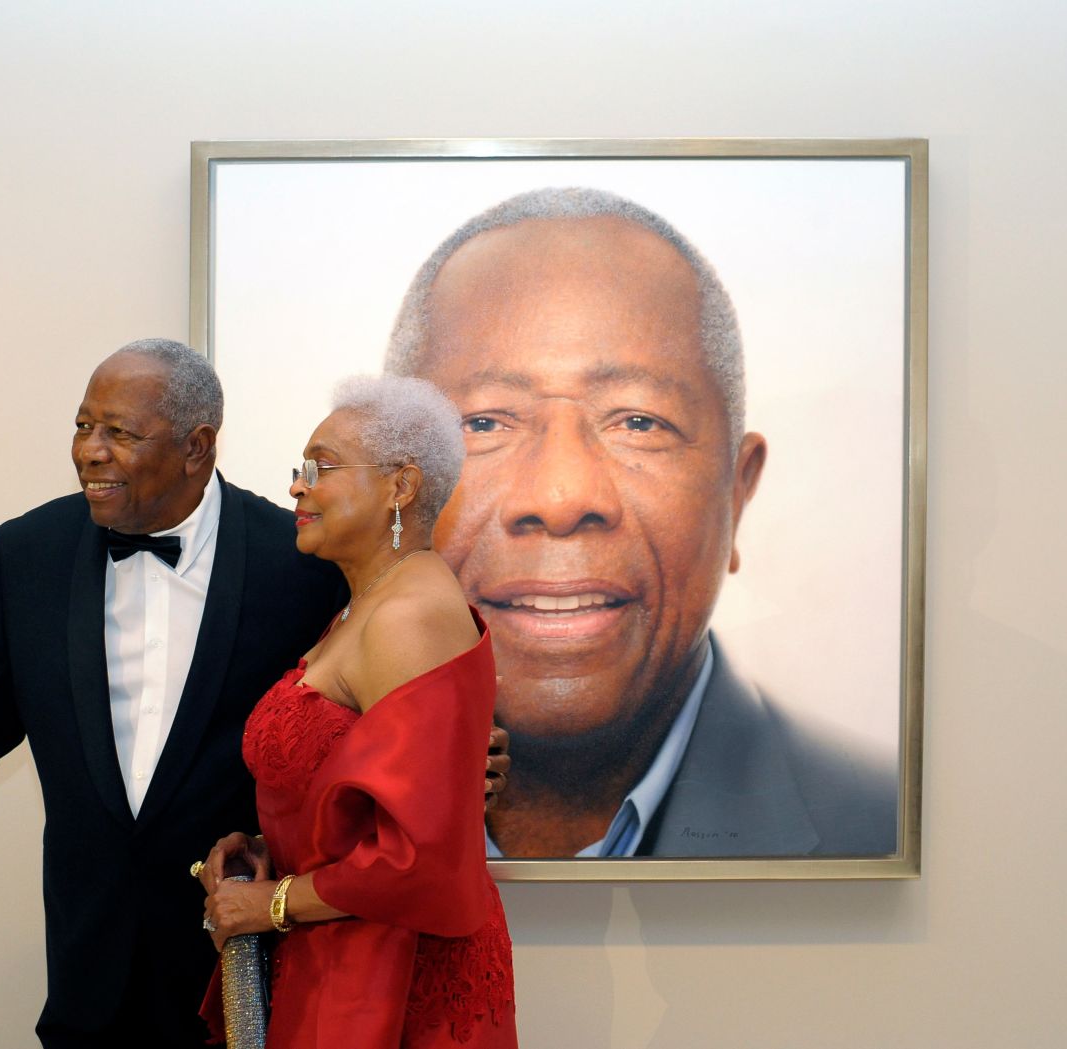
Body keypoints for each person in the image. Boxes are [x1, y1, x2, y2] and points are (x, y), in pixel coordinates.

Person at [0, 342, 508, 1048]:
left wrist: (471, 756)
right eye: (83, 426)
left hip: (253, 969)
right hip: (91, 959)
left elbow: (400, 719)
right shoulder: (31, 553)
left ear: (196, 447)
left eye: (119, 432)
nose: (90, 451)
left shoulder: (301, 560)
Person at [385, 187, 898, 859]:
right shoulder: (277, 818)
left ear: (737, 493)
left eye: (638, 421)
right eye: (481, 422)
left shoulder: (875, 828)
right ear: (390, 493)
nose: (561, 496)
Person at [198, 375, 515, 1049]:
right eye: (299, 469)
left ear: (401, 486)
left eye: (322, 467)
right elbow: (354, 798)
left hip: (397, 976)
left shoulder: (411, 617)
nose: (297, 487)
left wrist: (273, 902)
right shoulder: (361, 606)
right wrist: (266, 851)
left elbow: (419, 857)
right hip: (348, 951)